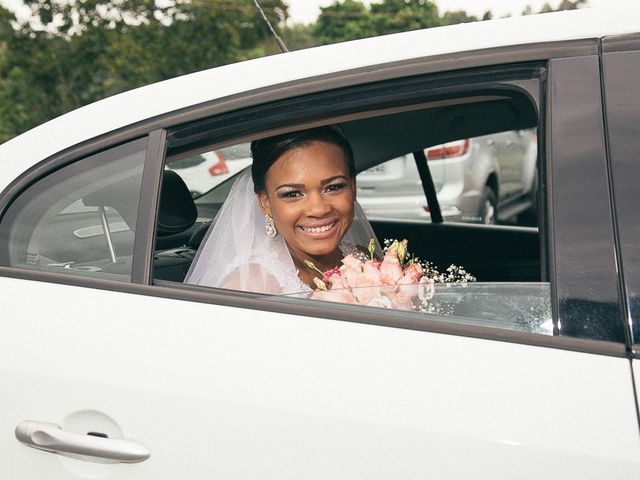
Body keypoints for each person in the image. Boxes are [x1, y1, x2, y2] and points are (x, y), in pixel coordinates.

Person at [184, 126, 380, 294]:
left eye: (333, 187)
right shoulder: (251, 284)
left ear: (353, 187)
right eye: (293, 194)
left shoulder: (364, 260)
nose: (319, 209)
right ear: (265, 202)